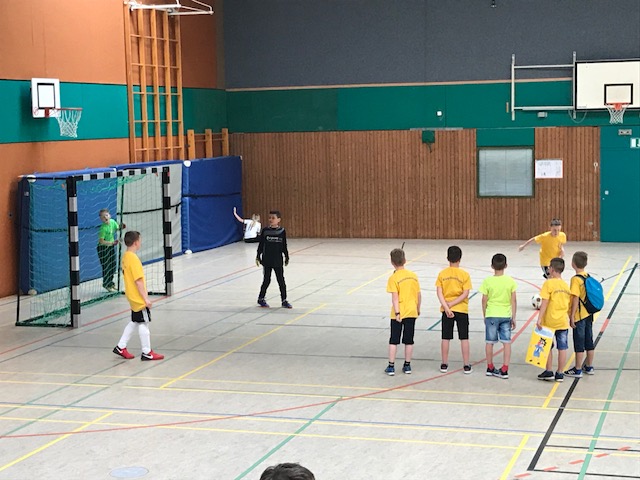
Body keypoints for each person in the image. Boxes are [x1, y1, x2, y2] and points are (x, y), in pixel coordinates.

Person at [113, 231, 164, 361]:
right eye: (140, 241)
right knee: (144, 323)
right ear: (136, 242)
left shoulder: (125, 257)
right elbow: (138, 281)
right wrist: (145, 299)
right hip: (138, 297)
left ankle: (121, 346)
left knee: (135, 321)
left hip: (130, 294)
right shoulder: (134, 259)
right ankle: (147, 352)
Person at [479, 253, 517, 379]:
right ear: (506, 265)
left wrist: (485, 315)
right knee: (506, 342)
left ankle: (490, 367)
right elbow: (513, 300)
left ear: (492, 266)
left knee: (489, 342)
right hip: (505, 315)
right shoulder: (510, 281)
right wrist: (513, 317)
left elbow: (484, 300)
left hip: (491, 314)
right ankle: (505, 369)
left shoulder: (487, 281)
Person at [384, 248, 421, 376]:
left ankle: (391, 366)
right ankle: (407, 365)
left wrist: (397, 313)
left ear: (392, 262)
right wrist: (418, 308)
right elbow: (418, 294)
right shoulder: (413, 276)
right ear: (405, 260)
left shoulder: (393, 278)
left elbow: (395, 298)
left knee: (394, 340)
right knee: (409, 340)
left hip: (398, 313)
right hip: (411, 311)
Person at [436, 246, 473, 374]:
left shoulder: (442, 274)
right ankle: (466, 365)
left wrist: (447, 307)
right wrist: (453, 304)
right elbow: (465, 293)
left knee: (445, 337)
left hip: (446, 311)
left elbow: (439, 293)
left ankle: (444, 364)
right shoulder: (464, 274)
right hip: (461, 309)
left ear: (447, 258)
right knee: (464, 337)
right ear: (460, 259)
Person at [536, 257, 571, 382]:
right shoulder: (566, 286)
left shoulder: (548, 283)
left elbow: (545, 302)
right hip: (562, 321)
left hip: (549, 322)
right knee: (562, 348)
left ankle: (549, 370)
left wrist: (539, 318)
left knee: (547, 346)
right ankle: (560, 372)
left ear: (551, 269)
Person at [564, 251, 596, 377]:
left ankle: (577, 369)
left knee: (579, 342)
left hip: (580, 315)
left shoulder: (575, 279)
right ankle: (589, 366)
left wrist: (572, 315)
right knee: (589, 340)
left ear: (573, 264)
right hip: (589, 314)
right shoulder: (587, 276)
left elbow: (575, 298)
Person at [256, 210, 291, 308]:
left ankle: (284, 300)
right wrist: (258, 256)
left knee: (281, 280)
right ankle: (261, 298)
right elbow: (261, 244)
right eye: (269, 218)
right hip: (267, 259)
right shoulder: (265, 231)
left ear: (278, 219)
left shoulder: (282, 231)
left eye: (273, 218)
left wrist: (286, 256)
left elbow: (284, 245)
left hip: (277, 260)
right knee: (266, 280)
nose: (271, 220)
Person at [97, 208, 125, 292]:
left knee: (113, 266)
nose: (105, 217)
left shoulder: (112, 222)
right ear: (101, 219)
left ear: (109, 215)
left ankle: (110, 283)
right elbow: (101, 241)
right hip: (103, 248)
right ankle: (106, 284)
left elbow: (117, 228)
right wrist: (112, 243)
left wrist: (121, 227)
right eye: (103, 217)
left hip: (110, 247)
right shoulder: (103, 228)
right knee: (106, 267)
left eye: (106, 215)